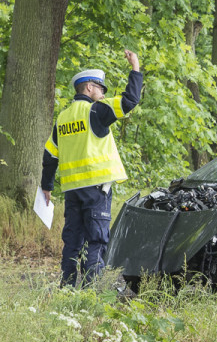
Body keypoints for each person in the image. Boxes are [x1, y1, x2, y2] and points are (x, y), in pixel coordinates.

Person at [41, 49, 142, 287]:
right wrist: (135, 68)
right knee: (96, 241)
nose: (103, 93)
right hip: (96, 189)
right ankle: (89, 295)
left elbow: (50, 154)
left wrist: (46, 186)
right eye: (101, 89)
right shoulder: (95, 111)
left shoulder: (63, 118)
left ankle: (66, 289)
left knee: (73, 241)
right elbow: (130, 101)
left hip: (73, 190)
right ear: (89, 88)